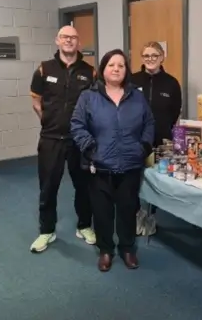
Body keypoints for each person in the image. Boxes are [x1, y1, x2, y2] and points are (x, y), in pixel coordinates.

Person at [70, 49, 155, 272]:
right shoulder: (88, 96)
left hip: (130, 165)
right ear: (103, 69)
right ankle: (106, 250)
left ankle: (128, 249)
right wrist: (91, 147)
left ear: (126, 71)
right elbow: (77, 125)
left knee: (128, 210)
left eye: (121, 65)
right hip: (99, 166)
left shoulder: (137, 96)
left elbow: (149, 124)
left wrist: (143, 148)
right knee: (102, 212)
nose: (116, 69)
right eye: (111, 65)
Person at [29, 25, 96, 253]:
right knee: (48, 187)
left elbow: (94, 105)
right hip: (51, 139)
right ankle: (46, 230)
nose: (69, 41)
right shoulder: (43, 69)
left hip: (79, 140)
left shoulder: (90, 72)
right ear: (57, 40)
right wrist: (47, 120)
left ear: (79, 42)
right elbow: (36, 101)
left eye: (73, 37)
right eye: (64, 37)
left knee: (84, 186)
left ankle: (85, 225)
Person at [131, 42, 182, 236]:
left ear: (162, 57)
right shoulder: (132, 80)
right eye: (146, 55)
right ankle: (136, 213)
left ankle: (152, 215)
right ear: (142, 58)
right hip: (135, 139)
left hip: (161, 141)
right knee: (133, 178)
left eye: (154, 55)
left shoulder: (171, 83)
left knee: (157, 180)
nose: (150, 59)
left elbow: (175, 110)